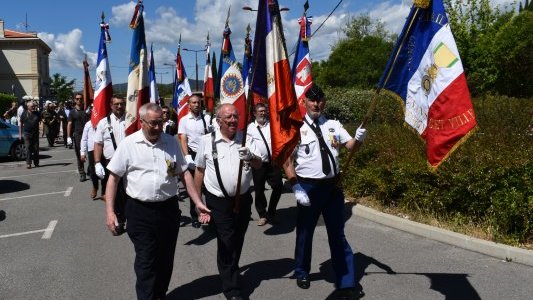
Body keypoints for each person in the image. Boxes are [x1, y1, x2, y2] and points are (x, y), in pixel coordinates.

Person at [105, 103, 211, 300]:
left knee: (165, 259)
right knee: (146, 261)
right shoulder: (128, 144)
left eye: (160, 123)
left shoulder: (171, 142)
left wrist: (197, 201)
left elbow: (184, 174)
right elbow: (113, 178)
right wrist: (110, 212)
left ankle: (159, 294)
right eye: (153, 123)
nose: (157, 128)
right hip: (140, 211)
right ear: (142, 122)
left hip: (168, 210)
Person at [283, 84, 368, 300]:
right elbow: (287, 160)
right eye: (312, 100)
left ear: (324, 102)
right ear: (304, 103)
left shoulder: (333, 124)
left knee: (337, 233)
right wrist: (295, 186)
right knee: (305, 232)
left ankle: (346, 280)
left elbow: (349, 146)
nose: (316, 104)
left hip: (332, 188)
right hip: (308, 187)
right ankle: (302, 271)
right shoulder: (296, 127)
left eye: (320, 100)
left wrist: (358, 138)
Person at [194, 103, 262, 300]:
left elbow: (259, 165)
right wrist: (198, 202)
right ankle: (231, 289)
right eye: (228, 117)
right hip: (218, 201)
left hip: (243, 199)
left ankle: (231, 268)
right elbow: (199, 171)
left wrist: (251, 156)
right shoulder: (207, 142)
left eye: (235, 116)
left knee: (238, 238)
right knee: (226, 240)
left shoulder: (247, 138)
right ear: (218, 121)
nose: (233, 120)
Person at [177, 94, 213, 228]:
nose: (197, 105)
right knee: (195, 187)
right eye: (194, 102)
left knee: (209, 187)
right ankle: (195, 215)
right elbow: (183, 139)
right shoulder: (184, 120)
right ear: (189, 104)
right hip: (192, 155)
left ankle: (210, 213)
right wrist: (187, 156)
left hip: (207, 154)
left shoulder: (208, 118)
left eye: (198, 102)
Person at [246, 103, 283, 226]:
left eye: (264, 111)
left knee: (278, 186)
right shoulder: (250, 128)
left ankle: (272, 211)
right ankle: (262, 214)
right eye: (260, 111)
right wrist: (254, 158)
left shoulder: (272, 124)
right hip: (259, 164)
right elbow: (249, 145)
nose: (263, 113)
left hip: (273, 162)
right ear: (254, 113)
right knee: (259, 189)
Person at [93, 95, 126, 201]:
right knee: (114, 192)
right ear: (111, 106)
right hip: (111, 163)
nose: (120, 106)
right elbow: (98, 144)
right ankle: (116, 214)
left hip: (128, 162)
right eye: (116, 104)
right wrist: (97, 163)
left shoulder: (131, 121)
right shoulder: (103, 123)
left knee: (128, 192)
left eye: (122, 103)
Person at [80, 106, 102, 199]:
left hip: (102, 148)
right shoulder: (88, 124)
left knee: (104, 170)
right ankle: (95, 187)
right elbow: (84, 139)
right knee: (93, 171)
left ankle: (104, 191)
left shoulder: (103, 123)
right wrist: (82, 152)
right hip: (91, 150)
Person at [67, 94, 89, 182]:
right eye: (77, 99)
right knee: (80, 155)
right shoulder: (72, 112)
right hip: (78, 135)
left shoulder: (86, 110)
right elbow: (69, 124)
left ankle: (90, 169)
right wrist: (68, 137)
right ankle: (82, 173)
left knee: (90, 153)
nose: (79, 100)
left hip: (88, 134)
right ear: (75, 100)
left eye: (80, 98)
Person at [18, 99, 41, 169]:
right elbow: (21, 124)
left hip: (35, 133)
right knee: (28, 148)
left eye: (34, 106)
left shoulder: (37, 113)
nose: (33, 107)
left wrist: (42, 130)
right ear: (28, 107)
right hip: (27, 133)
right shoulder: (24, 113)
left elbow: (41, 121)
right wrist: (20, 134)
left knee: (36, 149)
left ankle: (36, 162)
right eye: (32, 106)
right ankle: (28, 163)